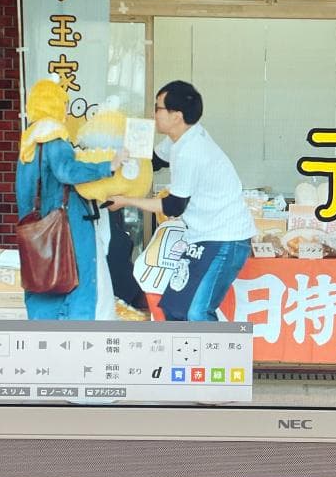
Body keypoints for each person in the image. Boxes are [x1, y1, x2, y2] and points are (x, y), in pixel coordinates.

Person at [107, 80, 255, 321]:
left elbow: (173, 206)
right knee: (175, 309)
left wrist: (126, 200)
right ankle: (185, 349)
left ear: (176, 116)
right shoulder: (181, 138)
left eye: (158, 108)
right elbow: (154, 161)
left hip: (225, 239)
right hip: (203, 237)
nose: (153, 114)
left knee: (197, 312)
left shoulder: (191, 150)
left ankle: (215, 348)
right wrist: (123, 157)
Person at [16, 78, 126, 320]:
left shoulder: (29, 140)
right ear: (54, 104)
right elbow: (66, 171)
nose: (66, 111)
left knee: (41, 280)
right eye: (64, 104)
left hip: (35, 228)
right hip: (66, 224)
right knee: (78, 279)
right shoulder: (54, 136)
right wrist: (108, 165)